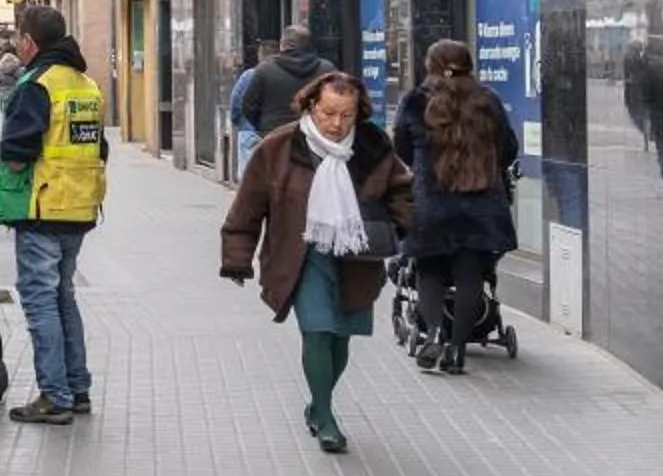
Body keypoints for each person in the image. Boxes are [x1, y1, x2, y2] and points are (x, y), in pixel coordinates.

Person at [221, 70, 412, 451]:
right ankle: (325, 417)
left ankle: (316, 403)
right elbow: (248, 206)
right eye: (328, 113)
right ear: (311, 105)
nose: (337, 123)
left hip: (355, 257)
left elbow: (403, 192)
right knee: (317, 328)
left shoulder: (374, 146)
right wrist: (237, 257)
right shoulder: (278, 147)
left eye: (347, 115)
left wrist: (398, 227)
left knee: (340, 340)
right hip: (301, 255)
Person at [0, 5, 110, 425]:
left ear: (29, 41)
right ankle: (77, 388)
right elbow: (100, 146)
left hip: (42, 207)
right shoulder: (86, 84)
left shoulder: (37, 85)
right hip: (80, 208)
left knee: (40, 299)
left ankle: (55, 396)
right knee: (63, 296)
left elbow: (16, 154)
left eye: (18, 38)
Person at [390, 38, 519, 374]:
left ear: (429, 66)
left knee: (430, 271)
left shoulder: (416, 101)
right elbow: (508, 149)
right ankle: (458, 350)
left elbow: (400, 145)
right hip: (482, 207)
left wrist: (423, 168)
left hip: (432, 204)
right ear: (469, 65)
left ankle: (434, 333)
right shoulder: (487, 100)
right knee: (470, 277)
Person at [236, 26, 331, 143]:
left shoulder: (265, 69)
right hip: (314, 138)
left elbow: (248, 106)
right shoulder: (326, 69)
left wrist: (264, 127)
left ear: (282, 44)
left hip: (273, 137)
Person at [226, 42, 266, 175]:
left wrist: (239, 122)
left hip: (249, 130)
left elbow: (235, 102)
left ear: (260, 56)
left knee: (247, 178)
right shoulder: (282, 76)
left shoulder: (249, 75)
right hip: (273, 130)